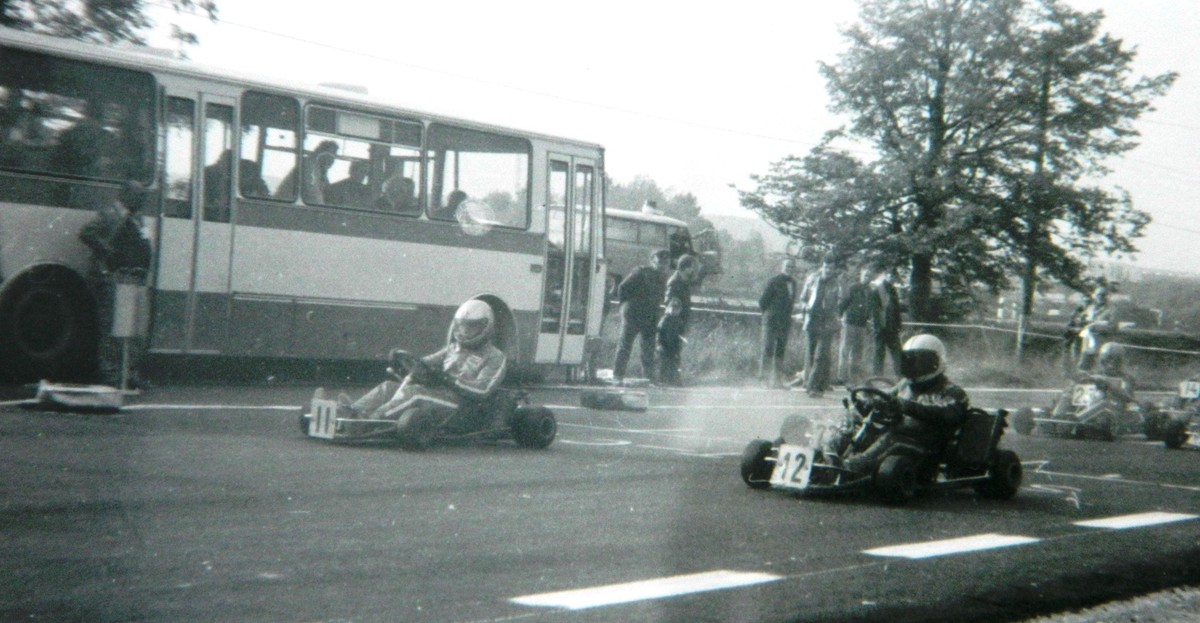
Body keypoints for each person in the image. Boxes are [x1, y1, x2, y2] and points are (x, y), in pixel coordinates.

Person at [326, 300, 507, 428]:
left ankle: (367, 421)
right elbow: (424, 363)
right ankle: (350, 412)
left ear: (485, 327)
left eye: (471, 327)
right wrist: (406, 363)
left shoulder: (495, 357)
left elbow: (483, 390)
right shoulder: (452, 348)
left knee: (416, 394)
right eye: (462, 326)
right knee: (389, 386)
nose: (465, 331)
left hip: (463, 407)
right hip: (440, 396)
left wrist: (449, 379)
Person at [838, 334, 969, 472]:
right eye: (911, 360)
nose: (915, 366)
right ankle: (826, 456)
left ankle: (851, 467)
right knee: (852, 426)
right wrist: (870, 403)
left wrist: (905, 406)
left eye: (921, 361)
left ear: (935, 362)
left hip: (926, 448)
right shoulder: (906, 384)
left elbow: (944, 414)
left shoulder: (952, 392)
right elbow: (887, 398)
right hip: (901, 439)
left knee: (892, 438)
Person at [78, 181, 153, 386]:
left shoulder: (136, 218)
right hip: (113, 277)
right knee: (113, 328)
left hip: (134, 278)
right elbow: (87, 233)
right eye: (139, 196)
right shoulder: (112, 213)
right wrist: (109, 252)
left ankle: (128, 373)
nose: (142, 201)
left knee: (132, 329)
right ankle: (111, 374)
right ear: (126, 195)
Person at [612, 249, 670, 384]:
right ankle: (617, 376)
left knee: (648, 350)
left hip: (650, 316)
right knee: (625, 346)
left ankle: (648, 379)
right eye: (659, 262)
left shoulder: (664, 278)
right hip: (633, 315)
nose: (662, 265)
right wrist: (625, 307)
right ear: (652, 261)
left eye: (665, 263)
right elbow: (623, 288)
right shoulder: (641, 272)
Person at [798, 256, 841, 397]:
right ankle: (814, 383)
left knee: (820, 355)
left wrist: (836, 314)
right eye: (826, 267)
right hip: (812, 321)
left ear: (834, 270)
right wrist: (805, 307)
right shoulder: (812, 279)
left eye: (831, 268)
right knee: (811, 354)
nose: (828, 270)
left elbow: (841, 302)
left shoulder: (837, 284)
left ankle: (814, 387)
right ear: (822, 266)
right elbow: (803, 298)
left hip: (827, 323)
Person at [657, 254, 700, 387]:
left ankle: (670, 379)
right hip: (672, 322)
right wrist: (676, 310)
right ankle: (668, 379)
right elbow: (670, 300)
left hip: (677, 322)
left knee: (673, 351)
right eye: (691, 267)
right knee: (670, 351)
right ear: (685, 267)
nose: (693, 270)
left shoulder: (681, 281)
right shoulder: (676, 281)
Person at [758, 258, 798, 388]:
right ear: (782, 267)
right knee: (768, 348)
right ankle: (764, 380)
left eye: (792, 266)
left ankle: (777, 381)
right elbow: (763, 302)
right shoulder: (774, 281)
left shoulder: (793, 283)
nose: (789, 268)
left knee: (780, 350)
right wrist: (770, 314)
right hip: (771, 321)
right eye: (787, 266)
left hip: (785, 322)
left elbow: (790, 303)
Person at [837, 267, 874, 386]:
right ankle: (841, 377)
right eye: (865, 275)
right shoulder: (853, 288)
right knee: (845, 350)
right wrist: (840, 317)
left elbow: (869, 308)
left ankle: (854, 377)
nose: (867, 278)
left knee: (857, 352)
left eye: (869, 276)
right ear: (861, 275)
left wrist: (868, 320)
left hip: (861, 324)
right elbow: (843, 303)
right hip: (849, 322)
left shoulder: (870, 291)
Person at [869, 270, 905, 377]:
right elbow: (874, 310)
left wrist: (898, 324)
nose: (893, 278)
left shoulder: (893, 290)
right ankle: (877, 377)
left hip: (892, 327)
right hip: (881, 327)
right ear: (886, 276)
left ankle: (900, 376)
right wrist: (877, 326)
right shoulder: (877, 290)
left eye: (894, 276)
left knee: (897, 353)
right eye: (891, 276)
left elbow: (896, 309)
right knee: (879, 352)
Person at [1076, 285, 1118, 372]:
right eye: (1098, 295)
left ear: (1107, 296)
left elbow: (1113, 327)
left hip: (1102, 343)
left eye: (1103, 295)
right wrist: (1081, 322)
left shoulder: (1111, 309)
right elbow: (1083, 321)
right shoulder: (1090, 308)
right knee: (1084, 367)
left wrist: (1096, 327)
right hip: (1087, 343)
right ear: (1094, 296)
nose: (1101, 297)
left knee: (1101, 369)